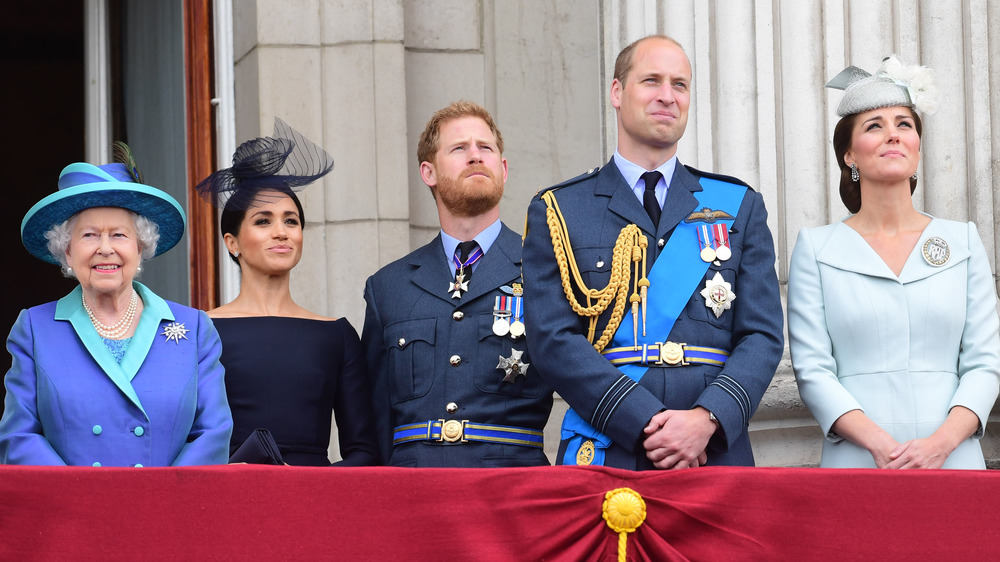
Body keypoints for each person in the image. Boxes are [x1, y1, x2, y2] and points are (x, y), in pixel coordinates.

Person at [522, 35, 783, 470]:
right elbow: (552, 340)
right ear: (617, 93)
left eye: (680, 85)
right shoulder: (560, 209)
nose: (668, 96)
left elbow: (762, 335)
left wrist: (706, 419)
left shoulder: (739, 204)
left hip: (712, 451)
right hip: (611, 444)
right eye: (651, 81)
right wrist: (647, 420)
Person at [788, 56, 1000, 469]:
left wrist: (940, 444)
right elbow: (813, 370)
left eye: (904, 124)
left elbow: (984, 363)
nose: (893, 135)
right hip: (858, 461)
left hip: (953, 460)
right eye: (874, 126)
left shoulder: (963, 241)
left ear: (918, 148)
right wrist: (881, 447)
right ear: (849, 155)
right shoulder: (816, 249)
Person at [0, 144, 233, 466]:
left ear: (141, 248)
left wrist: (164, 499)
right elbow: (19, 436)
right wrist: (80, 498)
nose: (105, 249)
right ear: (67, 252)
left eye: (119, 235)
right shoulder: (35, 328)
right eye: (89, 235)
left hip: (166, 508)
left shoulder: (193, 328)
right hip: (72, 510)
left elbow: (213, 433)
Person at [362, 101, 553, 467]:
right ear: (428, 172)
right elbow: (375, 419)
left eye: (486, 148)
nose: (475, 156)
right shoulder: (389, 287)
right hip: (414, 494)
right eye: (459, 148)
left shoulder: (546, 271)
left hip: (512, 490)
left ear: (504, 168)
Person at [198, 118, 379, 466]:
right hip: (226, 501)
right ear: (232, 242)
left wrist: (313, 489)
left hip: (314, 506)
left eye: (291, 220)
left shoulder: (337, 335)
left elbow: (364, 451)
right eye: (263, 221)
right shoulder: (201, 330)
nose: (281, 232)